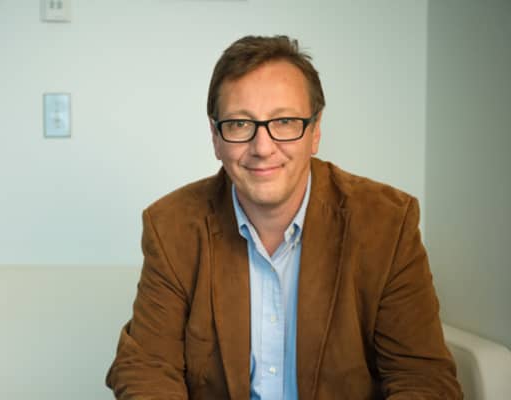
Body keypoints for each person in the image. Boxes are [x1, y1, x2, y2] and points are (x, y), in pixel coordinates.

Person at [106, 35, 462, 399]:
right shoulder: (171, 227)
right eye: (239, 124)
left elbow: (422, 379)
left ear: (315, 131)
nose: (262, 147)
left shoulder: (387, 224)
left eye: (285, 121)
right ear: (215, 137)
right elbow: (147, 367)